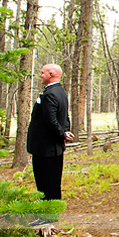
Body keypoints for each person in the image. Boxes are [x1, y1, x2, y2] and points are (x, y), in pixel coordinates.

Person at [27, 64, 74, 200]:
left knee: (45, 183)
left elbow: (51, 120)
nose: (40, 75)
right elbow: (65, 117)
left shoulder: (50, 94)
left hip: (45, 149)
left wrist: (62, 133)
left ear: (51, 74)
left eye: (42, 73)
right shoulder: (60, 91)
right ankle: (52, 211)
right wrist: (65, 131)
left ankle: (46, 216)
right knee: (52, 182)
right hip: (53, 148)